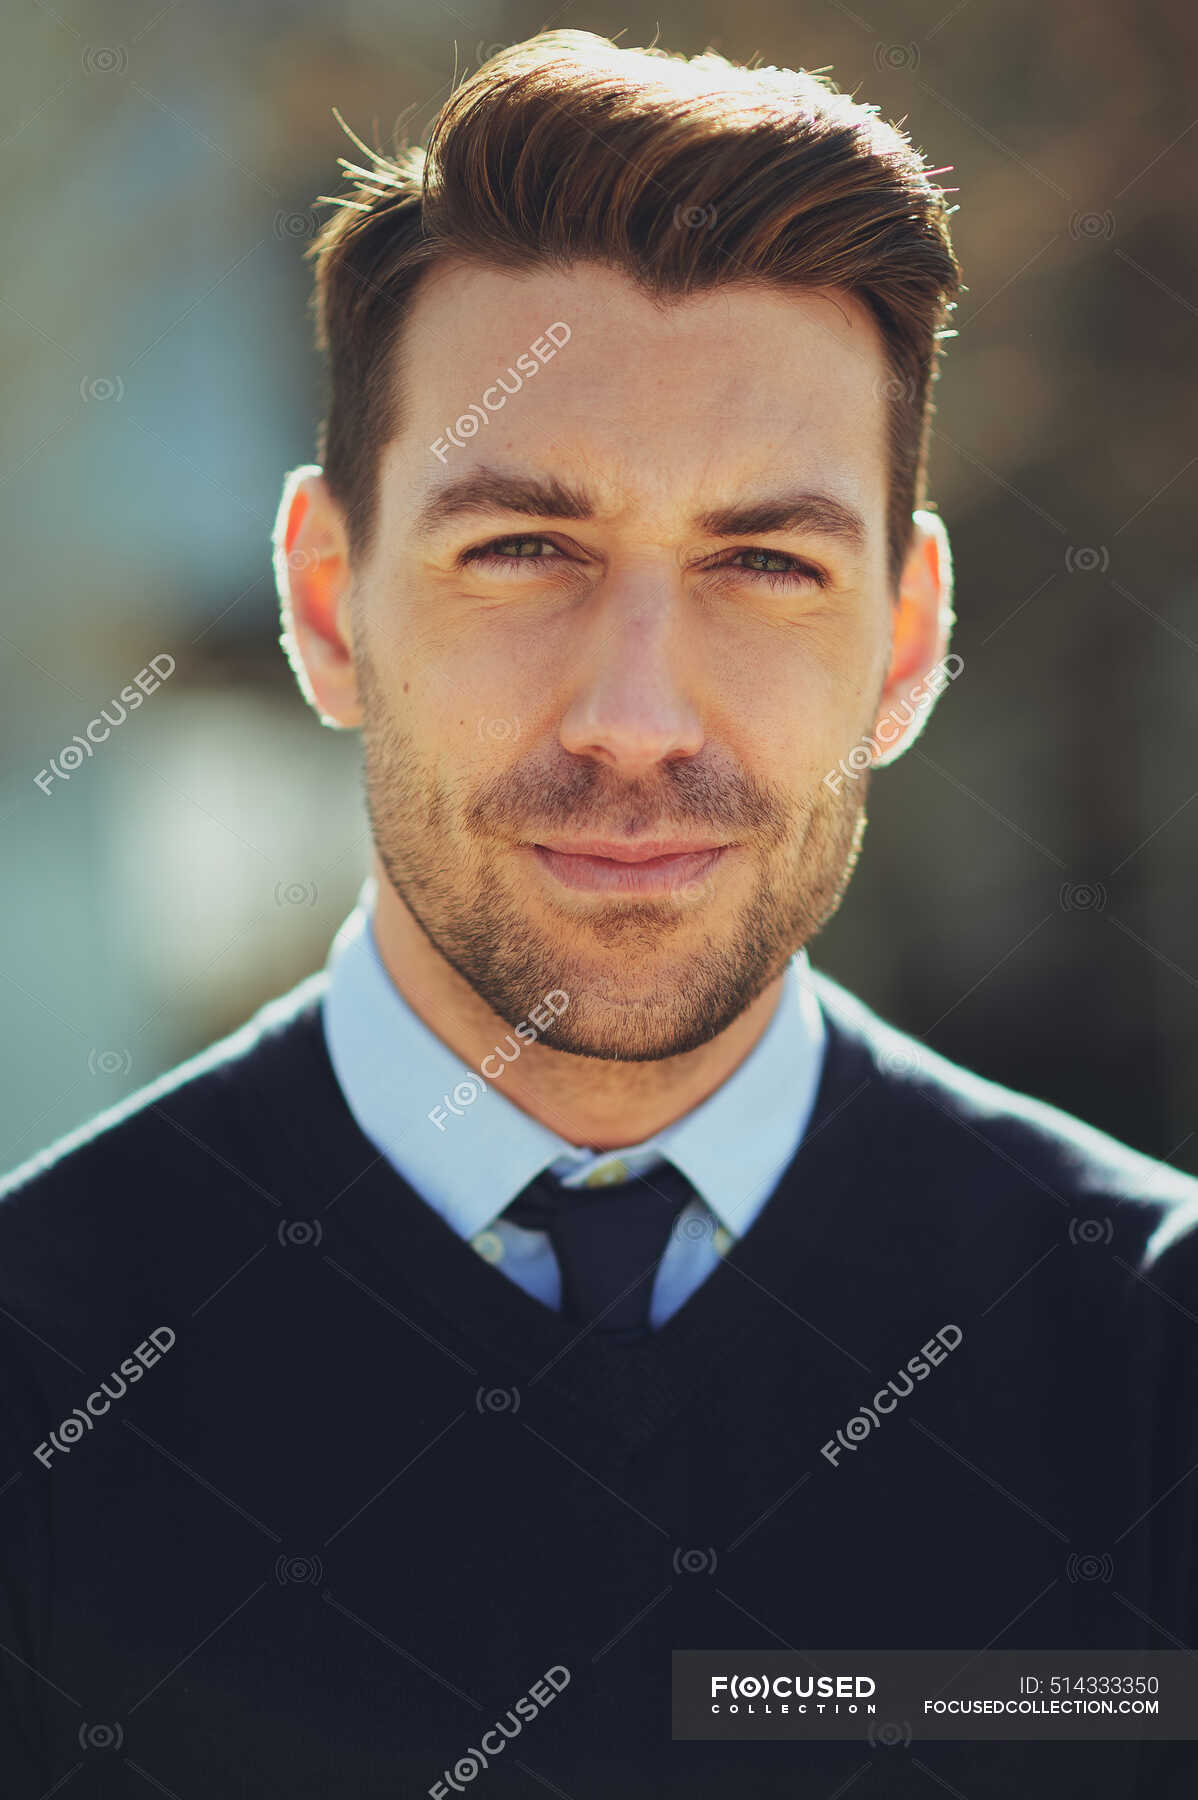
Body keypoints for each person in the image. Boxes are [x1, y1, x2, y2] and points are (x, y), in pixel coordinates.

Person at [1, 29, 1195, 1800]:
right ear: (328, 605)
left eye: (762, 564)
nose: (635, 717)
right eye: (523, 551)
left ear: (904, 636)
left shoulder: (1154, 1358)